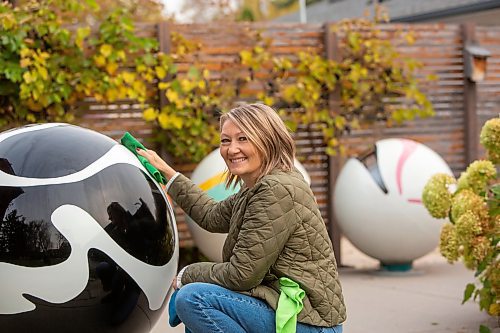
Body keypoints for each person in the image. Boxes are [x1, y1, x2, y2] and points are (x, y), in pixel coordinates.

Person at [137, 103, 346, 333]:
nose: (232, 149)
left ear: (268, 140)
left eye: (243, 138)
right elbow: (212, 216)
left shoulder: (275, 190)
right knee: (199, 303)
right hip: (290, 310)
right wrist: (169, 175)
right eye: (225, 140)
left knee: (194, 298)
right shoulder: (260, 186)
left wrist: (187, 274)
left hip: (308, 322)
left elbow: (241, 275)